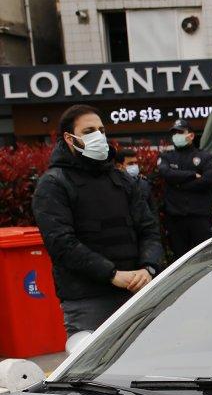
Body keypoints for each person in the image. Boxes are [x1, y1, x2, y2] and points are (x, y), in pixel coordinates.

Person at [32, 104, 163, 338]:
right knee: (95, 373)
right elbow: (62, 244)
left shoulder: (122, 180)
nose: (98, 136)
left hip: (137, 291)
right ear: (69, 138)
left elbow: (149, 229)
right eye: (89, 131)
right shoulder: (54, 184)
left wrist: (148, 268)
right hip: (88, 299)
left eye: (101, 130)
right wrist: (113, 274)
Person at [157, 119, 212, 257]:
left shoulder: (204, 156)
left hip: (200, 217)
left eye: (180, 132)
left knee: (204, 257)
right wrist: (191, 175)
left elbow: (208, 180)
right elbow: (166, 173)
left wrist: (178, 184)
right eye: (174, 133)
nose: (176, 135)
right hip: (175, 218)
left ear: (191, 135)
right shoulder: (166, 156)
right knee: (180, 258)